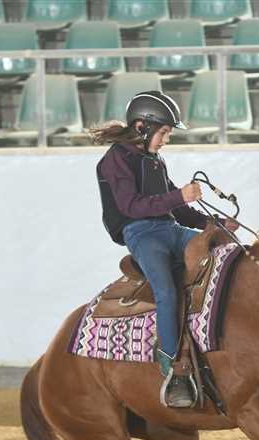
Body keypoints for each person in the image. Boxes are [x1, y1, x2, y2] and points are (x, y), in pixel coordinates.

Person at [91, 91, 229, 409]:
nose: (166, 139)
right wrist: (180, 196)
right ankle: (173, 368)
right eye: (164, 132)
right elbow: (131, 206)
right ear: (142, 127)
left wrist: (216, 225)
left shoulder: (154, 161)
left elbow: (179, 211)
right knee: (165, 290)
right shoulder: (115, 160)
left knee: (224, 253)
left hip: (170, 230)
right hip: (141, 234)